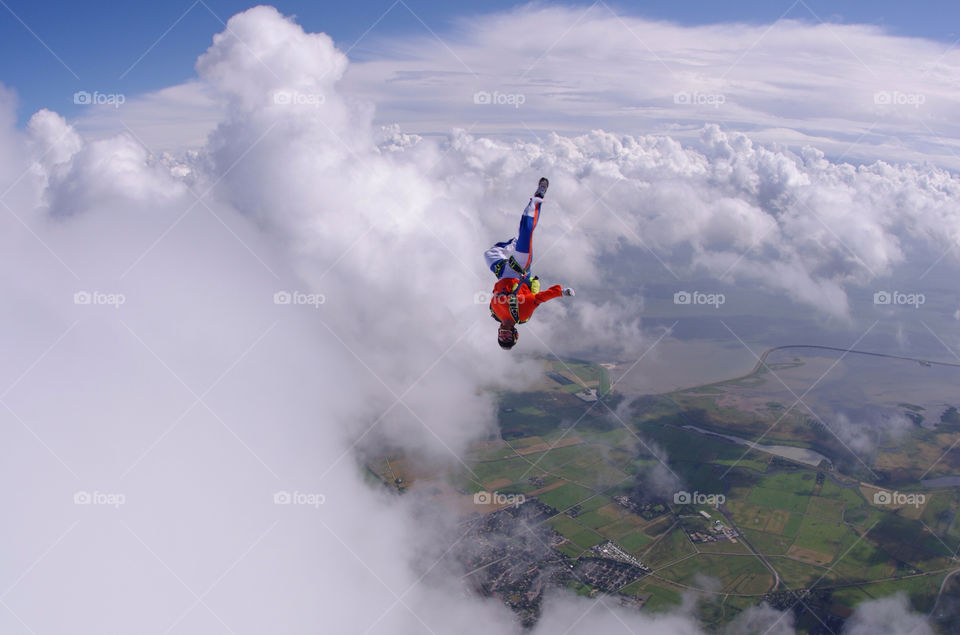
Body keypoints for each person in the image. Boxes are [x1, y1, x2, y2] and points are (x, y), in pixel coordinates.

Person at [483, 177, 574, 350]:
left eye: (501, 336)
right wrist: (560, 292)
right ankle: (538, 196)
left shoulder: (495, 314)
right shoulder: (523, 314)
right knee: (526, 229)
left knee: (489, 254)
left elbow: (497, 292)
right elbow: (540, 298)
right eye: (507, 336)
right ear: (515, 334)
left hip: (503, 272)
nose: (504, 333)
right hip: (519, 268)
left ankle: (514, 242)